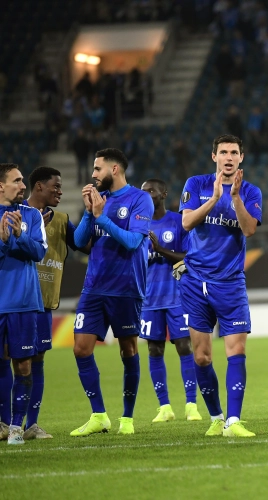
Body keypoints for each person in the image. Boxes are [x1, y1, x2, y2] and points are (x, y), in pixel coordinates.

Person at [179, 135, 262, 438]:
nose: (229, 157)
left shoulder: (251, 192)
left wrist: (236, 198)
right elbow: (186, 223)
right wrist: (214, 199)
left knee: (236, 350)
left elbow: (250, 229)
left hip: (230, 283)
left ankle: (234, 421)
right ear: (214, 156)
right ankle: (217, 416)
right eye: (223, 152)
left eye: (234, 153)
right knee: (201, 357)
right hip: (196, 283)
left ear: (242, 158)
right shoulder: (196, 184)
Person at [70, 148, 154, 437]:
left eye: (97, 169)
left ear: (115, 169)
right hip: (94, 287)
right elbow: (81, 241)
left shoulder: (140, 199)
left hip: (127, 288)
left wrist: (102, 217)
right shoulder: (98, 200)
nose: (93, 175)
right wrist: (88, 214)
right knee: (81, 348)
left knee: (128, 350)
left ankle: (127, 418)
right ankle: (98, 414)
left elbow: (132, 242)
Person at [13, 167, 83, 440]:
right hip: (17, 301)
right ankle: (9, 422)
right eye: (55, 186)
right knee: (13, 360)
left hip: (44, 303)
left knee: (38, 359)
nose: (60, 192)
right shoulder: (16, 213)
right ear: (39, 186)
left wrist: (91, 214)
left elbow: (83, 244)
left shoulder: (63, 220)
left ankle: (32, 424)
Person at [140, 179, 200, 423]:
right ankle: (164, 407)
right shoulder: (137, 225)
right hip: (149, 298)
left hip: (177, 296)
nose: (146, 195)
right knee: (154, 348)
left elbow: (189, 257)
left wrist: (160, 249)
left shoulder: (178, 221)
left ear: (163, 193)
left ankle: (191, 405)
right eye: (143, 192)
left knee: (184, 346)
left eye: (151, 191)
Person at [0, 164, 47, 445]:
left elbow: (39, 252)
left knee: (24, 365)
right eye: (16, 181)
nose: (22, 185)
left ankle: (17, 427)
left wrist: (18, 236)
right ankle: (3, 423)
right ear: (1, 186)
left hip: (24, 303)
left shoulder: (32, 215)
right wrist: (3, 242)